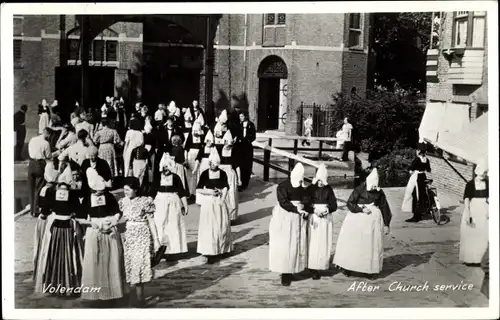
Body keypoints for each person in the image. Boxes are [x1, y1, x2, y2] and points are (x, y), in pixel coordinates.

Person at [34, 166, 84, 296]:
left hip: (55, 228)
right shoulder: (72, 195)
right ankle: (68, 285)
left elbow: (45, 209)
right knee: (69, 256)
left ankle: (53, 284)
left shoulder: (52, 192)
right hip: (67, 228)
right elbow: (79, 211)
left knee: (53, 256)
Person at [333, 168, 392, 279]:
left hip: (372, 223)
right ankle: (348, 267)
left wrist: (386, 224)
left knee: (370, 245)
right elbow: (350, 203)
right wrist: (361, 209)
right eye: (373, 186)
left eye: (376, 186)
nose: (374, 188)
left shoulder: (379, 192)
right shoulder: (359, 189)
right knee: (354, 243)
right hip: (357, 220)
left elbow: (384, 207)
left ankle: (369, 269)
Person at [79, 168, 125, 302]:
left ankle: (112, 292)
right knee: (95, 260)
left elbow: (117, 212)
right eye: (96, 191)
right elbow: (80, 217)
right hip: (94, 230)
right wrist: (91, 223)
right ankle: (95, 293)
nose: (99, 193)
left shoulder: (109, 196)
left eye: (101, 190)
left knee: (111, 259)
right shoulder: (87, 199)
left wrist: (113, 220)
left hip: (109, 228)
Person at [119, 177, 160, 307]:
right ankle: (135, 296)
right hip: (129, 235)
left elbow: (151, 222)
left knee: (140, 265)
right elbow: (122, 219)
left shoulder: (145, 201)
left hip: (142, 234)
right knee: (131, 265)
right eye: (124, 189)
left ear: (136, 189)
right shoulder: (123, 202)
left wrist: (156, 239)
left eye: (128, 189)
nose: (125, 192)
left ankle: (140, 298)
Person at [269, 163, 309, 286]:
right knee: (285, 243)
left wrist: (304, 207)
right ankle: (285, 273)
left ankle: (292, 269)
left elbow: (306, 198)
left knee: (295, 243)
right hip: (285, 216)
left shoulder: (302, 187)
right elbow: (283, 202)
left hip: (298, 216)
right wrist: (297, 209)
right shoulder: (283, 186)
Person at [196, 148, 232, 264]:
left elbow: (226, 187)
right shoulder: (205, 173)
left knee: (220, 226)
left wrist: (222, 197)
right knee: (209, 227)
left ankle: (221, 249)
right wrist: (210, 192)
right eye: (210, 163)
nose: (212, 165)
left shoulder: (222, 173)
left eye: (214, 163)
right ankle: (209, 251)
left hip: (219, 203)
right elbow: (199, 189)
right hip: (208, 203)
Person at [154, 154, 189, 259]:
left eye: (168, 166)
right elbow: (152, 191)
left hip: (174, 203)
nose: (166, 169)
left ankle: (173, 250)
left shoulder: (176, 177)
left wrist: (185, 205)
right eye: (164, 167)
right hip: (160, 202)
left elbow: (181, 192)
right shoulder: (157, 177)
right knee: (160, 224)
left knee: (173, 224)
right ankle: (159, 248)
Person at [306, 164, 338, 280]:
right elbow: (305, 204)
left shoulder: (328, 189)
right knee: (313, 241)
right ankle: (311, 267)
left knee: (323, 241)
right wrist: (314, 210)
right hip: (314, 217)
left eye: (322, 181)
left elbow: (334, 205)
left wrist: (327, 210)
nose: (320, 183)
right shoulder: (310, 189)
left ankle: (320, 264)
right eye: (319, 181)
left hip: (325, 218)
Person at [32, 161, 59, 282]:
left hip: (42, 218)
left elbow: (40, 204)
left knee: (40, 245)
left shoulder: (43, 189)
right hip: (48, 218)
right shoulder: (52, 191)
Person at [460, 159, 489, 266]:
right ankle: (470, 259)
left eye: (485, 172)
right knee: (472, 234)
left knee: (483, 234)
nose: (484, 174)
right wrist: (468, 212)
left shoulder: (488, 183)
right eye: (483, 172)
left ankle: (480, 259)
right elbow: (467, 198)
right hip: (474, 209)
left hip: (485, 209)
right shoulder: (470, 184)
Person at [402, 144, 432, 223]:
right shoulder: (427, 159)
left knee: (413, 195)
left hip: (416, 177)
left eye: (417, 150)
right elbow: (428, 169)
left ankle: (416, 216)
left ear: (419, 151)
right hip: (423, 176)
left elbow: (411, 170)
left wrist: (411, 171)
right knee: (421, 195)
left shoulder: (417, 159)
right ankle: (421, 213)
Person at [28, 128, 53, 217]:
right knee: (38, 188)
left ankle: (31, 210)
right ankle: (36, 210)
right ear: (48, 134)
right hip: (40, 164)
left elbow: (30, 151)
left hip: (31, 163)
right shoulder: (46, 143)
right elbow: (49, 156)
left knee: (31, 187)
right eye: (50, 135)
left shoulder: (32, 139)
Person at [219, 130, 240, 221]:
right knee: (222, 193)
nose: (228, 147)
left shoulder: (234, 151)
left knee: (231, 194)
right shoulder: (219, 150)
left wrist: (239, 178)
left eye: (230, 145)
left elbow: (237, 166)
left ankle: (231, 216)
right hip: (222, 174)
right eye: (227, 145)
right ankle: (222, 215)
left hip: (231, 175)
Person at [184, 121, 205, 198]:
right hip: (191, 157)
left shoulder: (202, 137)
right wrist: (186, 159)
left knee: (197, 174)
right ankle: (190, 192)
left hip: (199, 157)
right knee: (190, 175)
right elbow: (186, 149)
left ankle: (197, 192)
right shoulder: (190, 137)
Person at [236, 111, 256, 191]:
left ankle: (245, 183)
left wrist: (248, 140)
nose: (240, 118)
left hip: (247, 147)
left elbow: (253, 136)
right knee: (241, 164)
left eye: (242, 116)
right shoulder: (239, 125)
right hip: (240, 147)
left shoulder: (251, 125)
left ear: (245, 116)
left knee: (247, 165)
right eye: (240, 116)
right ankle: (240, 183)